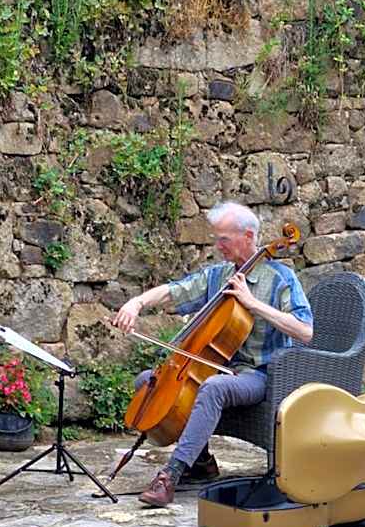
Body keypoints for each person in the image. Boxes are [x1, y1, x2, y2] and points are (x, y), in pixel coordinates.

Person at [112, 200, 314, 507]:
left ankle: (171, 475)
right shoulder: (219, 276)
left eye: (224, 239)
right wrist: (136, 303)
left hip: (260, 375)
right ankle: (202, 461)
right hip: (218, 368)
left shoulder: (280, 278)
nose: (218, 246)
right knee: (148, 380)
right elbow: (175, 291)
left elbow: (305, 330)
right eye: (217, 239)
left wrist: (253, 304)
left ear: (248, 237)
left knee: (212, 388)